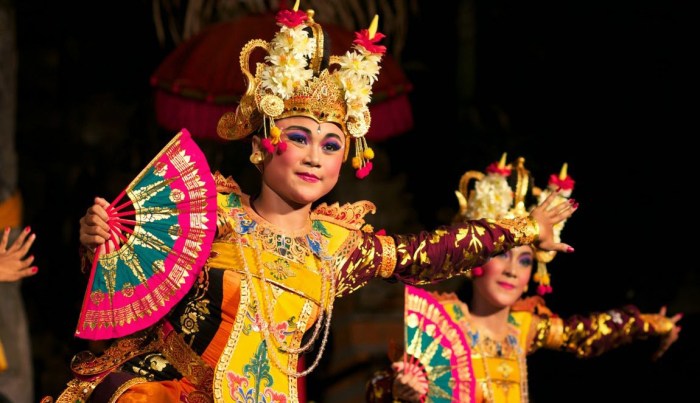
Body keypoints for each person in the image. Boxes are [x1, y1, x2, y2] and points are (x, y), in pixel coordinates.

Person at [44, 5, 577, 403]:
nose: (314, 157)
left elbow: (425, 253)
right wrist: (100, 241)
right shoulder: (210, 215)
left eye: (331, 145)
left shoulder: (338, 246)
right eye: (299, 138)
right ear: (261, 146)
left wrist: (525, 228)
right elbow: (128, 284)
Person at [365, 155, 682, 403]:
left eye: (525, 260)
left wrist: (654, 324)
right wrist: (397, 390)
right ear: (476, 260)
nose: (512, 270)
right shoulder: (441, 324)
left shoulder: (525, 327)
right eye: (502, 255)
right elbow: (376, 388)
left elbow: (589, 332)